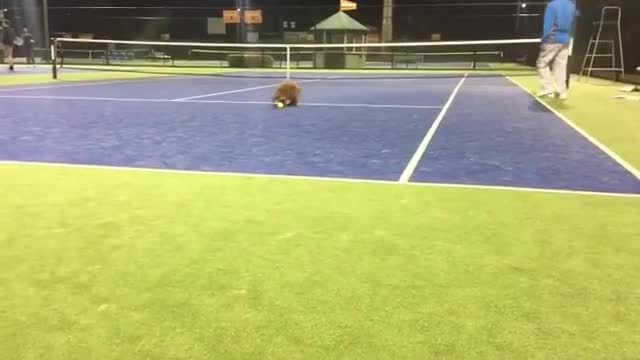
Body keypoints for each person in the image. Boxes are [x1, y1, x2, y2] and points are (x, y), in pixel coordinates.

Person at [536, 0, 577, 100]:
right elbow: (573, 20)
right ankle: (561, 91)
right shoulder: (572, 5)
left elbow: (548, 24)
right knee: (561, 66)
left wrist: (544, 39)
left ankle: (546, 88)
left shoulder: (552, 5)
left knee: (541, 63)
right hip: (566, 39)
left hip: (552, 38)